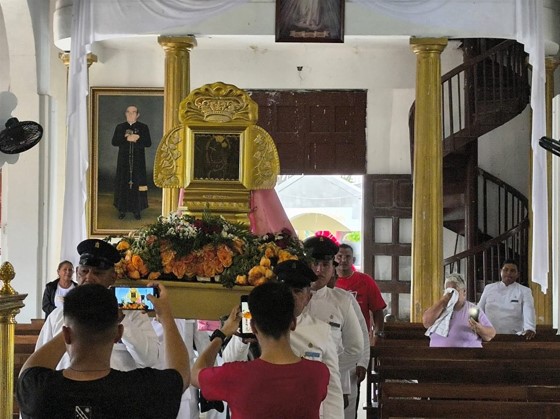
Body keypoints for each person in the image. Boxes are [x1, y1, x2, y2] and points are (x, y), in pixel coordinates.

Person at [17, 282, 188, 418]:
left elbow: (30, 368)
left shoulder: (38, 391)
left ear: (66, 335)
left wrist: (74, 327)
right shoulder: (140, 391)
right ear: (118, 334)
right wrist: (166, 316)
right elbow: (182, 373)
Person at [223, 260, 344, 418]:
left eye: (297, 291)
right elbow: (228, 363)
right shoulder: (258, 323)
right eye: (285, 290)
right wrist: (242, 340)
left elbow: (332, 388)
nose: (290, 297)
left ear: (308, 297)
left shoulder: (322, 331)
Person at [192, 282, 330, 419]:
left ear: (253, 327)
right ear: (293, 323)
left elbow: (195, 375)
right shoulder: (318, 374)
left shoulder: (236, 376)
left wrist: (221, 334)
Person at [36, 239, 160, 371]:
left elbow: (150, 359)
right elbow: (39, 366)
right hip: (67, 389)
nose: (89, 278)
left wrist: (123, 322)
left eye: (97, 273)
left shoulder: (131, 314)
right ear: (77, 272)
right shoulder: (58, 316)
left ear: (113, 277)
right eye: (84, 271)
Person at [303, 236, 367, 412]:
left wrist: (327, 369)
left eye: (325, 264)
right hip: (293, 384)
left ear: (333, 268)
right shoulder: (287, 298)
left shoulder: (342, 300)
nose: (319, 270)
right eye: (314, 263)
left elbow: (355, 348)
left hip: (331, 384)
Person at [334, 243, 386, 419]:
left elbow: (378, 311)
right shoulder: (328, 285)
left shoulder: (365, 281)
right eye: (339, 256)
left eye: (347, 257)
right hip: (333, 346)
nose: (343, 260)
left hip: (356, 343)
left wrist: (377, 334)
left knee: (351, 395)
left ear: (353, 260)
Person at [423, 273, 496, 347]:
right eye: (448, 291)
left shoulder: (472, 310)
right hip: (437, 355)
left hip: (467, 356)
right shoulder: (439, 307)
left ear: (464, 292)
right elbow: (426, 323)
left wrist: (479, 328)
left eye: (454, 291)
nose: (451, 295)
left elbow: (490, 335)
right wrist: (443, 301)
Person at [478, 259, 536, 339]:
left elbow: (528, 310)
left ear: (517, 274)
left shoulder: (524, 291)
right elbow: (479, 309)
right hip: (489, 335)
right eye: (506, 270)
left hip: (513, 337)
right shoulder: (489, 288)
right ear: (500, 272)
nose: (508, 273)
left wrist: (529, 328)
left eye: (512, 271)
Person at [112, 105, 151, 220]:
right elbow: (114, 142)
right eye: (128, 112)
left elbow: (148, 143)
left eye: (133, 112)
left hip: (138, 162)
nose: (130, 114)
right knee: (123, 184)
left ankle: (137, 209)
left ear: (137, 115)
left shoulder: (143, 127)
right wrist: (126, 139)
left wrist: (138, 138)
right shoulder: (120, 127)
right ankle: (122, 209)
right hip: (124, 162)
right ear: (125, 114)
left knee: (138, 185)